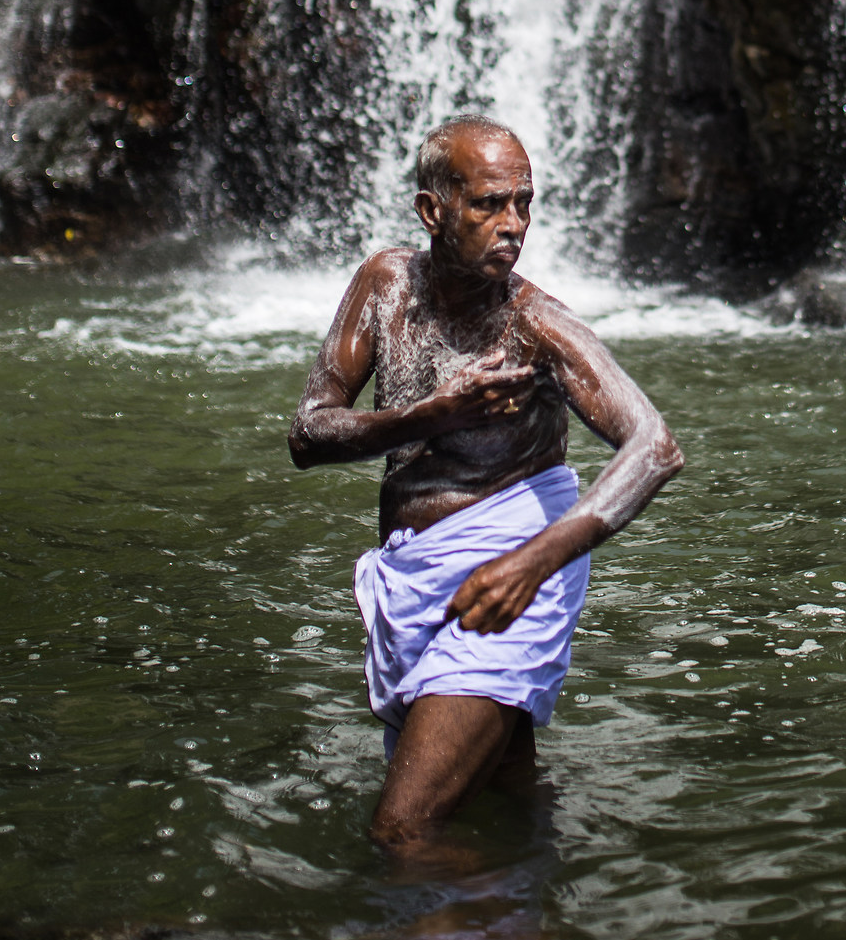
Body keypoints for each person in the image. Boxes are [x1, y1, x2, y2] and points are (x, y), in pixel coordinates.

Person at [289, 112, 683, 848]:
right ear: (432, 211)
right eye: (490, 204)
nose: (514, 224)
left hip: (509, 575)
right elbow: (308, 434)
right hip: (419, 573)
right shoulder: (385, 283)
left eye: (525, 203)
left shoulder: (535, 325)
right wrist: (428, 416)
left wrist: (532, 564)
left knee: (403, 830)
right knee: (500, 796)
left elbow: (654, 447)